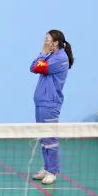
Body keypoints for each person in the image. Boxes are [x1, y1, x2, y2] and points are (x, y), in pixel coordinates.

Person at [29, 30, 74, 185]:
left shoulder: (60, 58)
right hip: (41, 101)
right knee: (43, 136)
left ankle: (52, 171)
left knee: (50, 137)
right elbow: (32, 67)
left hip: (50, 103)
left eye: (47, 39)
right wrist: (43, 54)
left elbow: (37, 67)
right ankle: (46, 167)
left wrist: (42, 53)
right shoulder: (50, 56)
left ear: (55, 43)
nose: (45, 42)